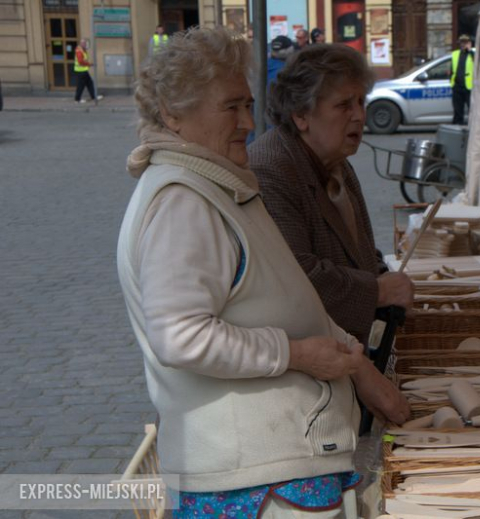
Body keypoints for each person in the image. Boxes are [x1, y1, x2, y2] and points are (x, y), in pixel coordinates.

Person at [118, 27, 410, 518]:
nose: (248, 122)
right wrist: (297, 354)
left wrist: (354, 364)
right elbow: (181, 337)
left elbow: (280, 291)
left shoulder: (209, 184)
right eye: (231, 107)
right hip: (251, 477)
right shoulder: (182, 203)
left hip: (272, 467)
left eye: (248, 104)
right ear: (173, 112)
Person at [248, 44, 414, 345]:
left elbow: (359, 250)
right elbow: (297, 276)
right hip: (306, 362)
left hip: (344, 350)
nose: (360, 116)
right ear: (301, 115)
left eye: (362, 102)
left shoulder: (338, 164)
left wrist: (384, 276)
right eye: (344, 105)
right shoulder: (272, 169)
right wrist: (378, 291)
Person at [451, 34, 475, 125]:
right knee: (457, 111)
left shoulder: (472, 54)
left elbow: (479, 65)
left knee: (472, 111)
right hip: (457, 87)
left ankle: (472, 129)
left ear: (469, 43)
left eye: (465, 42)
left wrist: (470, 51)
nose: (463, 44)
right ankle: (457, 129)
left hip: (469, 87)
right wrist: (452, 83)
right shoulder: (455, 54)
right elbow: (452, 69)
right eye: (462, 42)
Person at [73, 39, 102, 104]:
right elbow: (80, 61)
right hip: (80, 71)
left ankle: (93, 96)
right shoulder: (79, 51)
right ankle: (77, 100)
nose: (85, 45)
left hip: (83, 71)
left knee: (90, 83)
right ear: (81, 44)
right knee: (81, 86)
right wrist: (89, 64)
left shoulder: (82, 50)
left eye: (86, 43)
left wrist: (88, 64)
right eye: (84, 44)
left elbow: (83, 59)